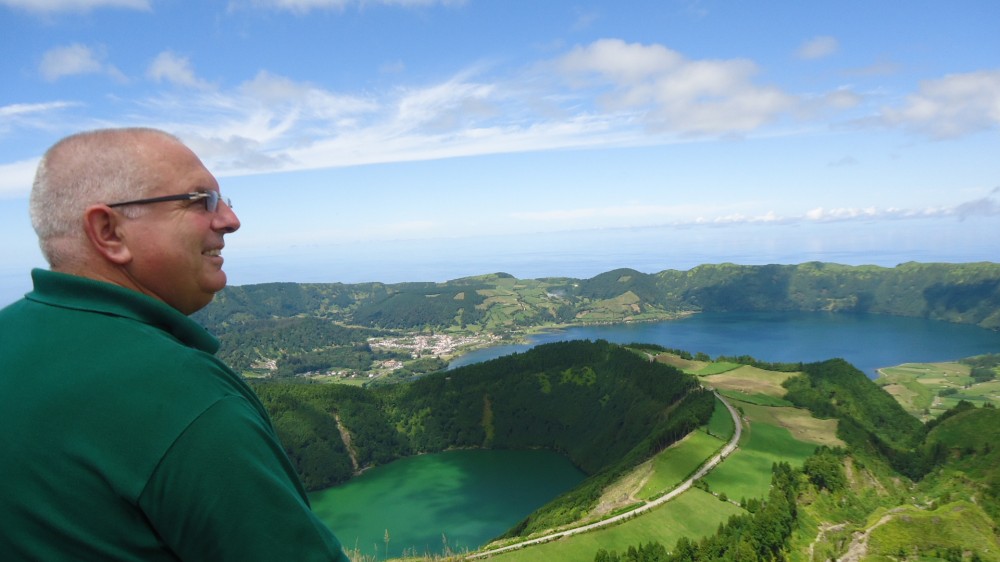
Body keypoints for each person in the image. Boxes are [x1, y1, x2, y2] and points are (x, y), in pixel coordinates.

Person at [0, 128, 351, 561]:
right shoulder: (181, 395)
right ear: (109, 231)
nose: (230, 220)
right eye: (201, 200)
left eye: (225, 201)